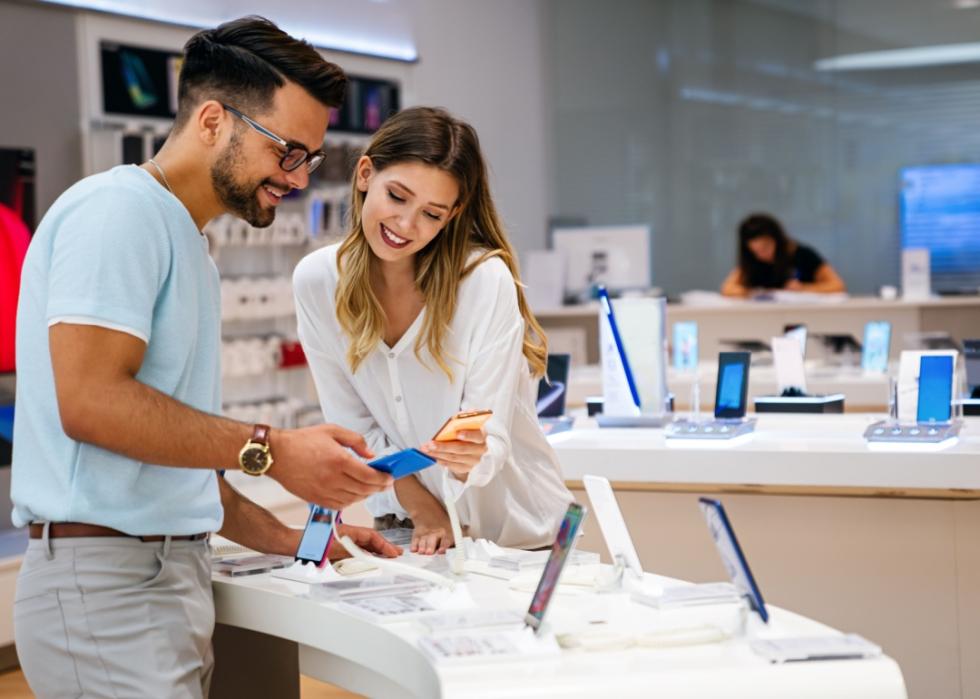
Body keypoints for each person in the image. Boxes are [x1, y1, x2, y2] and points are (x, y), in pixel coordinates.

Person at [11, 17, 400, 699]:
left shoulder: (189, 245)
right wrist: (276, 449)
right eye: (287, 151)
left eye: (308, 157)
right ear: (214, 120)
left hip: (162, 575)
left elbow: (178, 463)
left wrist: (291, 538)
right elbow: (91, 402)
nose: (299, 179)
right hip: (104, 582)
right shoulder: (117, 212)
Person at [293, 107, 574, 554]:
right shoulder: (317, 282)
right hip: (408, 529)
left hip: (517, 538)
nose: (406, 225)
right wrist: (423, 508)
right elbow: (352, 429)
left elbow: (491, 438)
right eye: (397, 197)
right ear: (365, 174)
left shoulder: (483, 280)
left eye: (431, 213)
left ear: (453, 214)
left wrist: (469, 456)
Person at [720, 213, 846, 297]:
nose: (761, 255)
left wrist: (804, 288)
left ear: (777, 240)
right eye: (755, 251)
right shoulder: (752, 261)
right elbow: (728, 288)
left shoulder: (803, 255)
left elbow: (837, 285)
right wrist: (753, 293)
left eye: (765, 247)